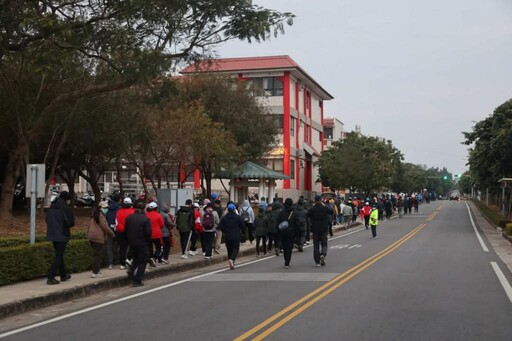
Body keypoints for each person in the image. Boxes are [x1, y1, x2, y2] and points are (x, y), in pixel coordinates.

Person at [46, 191, 75, 285]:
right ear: (67, 199)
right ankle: (51, 277)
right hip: (62, 234)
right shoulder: (65, 208)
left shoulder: (52, 206)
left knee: (59, 254)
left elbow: (47, 220)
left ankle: (63, 275)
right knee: (59, 256)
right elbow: (70, 222)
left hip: (52, 233)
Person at [125, 199, 152, 286]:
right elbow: (148, 232)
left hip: (132, 242)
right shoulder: (145, 218)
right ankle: (137, 280)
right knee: (143, 261)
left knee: (136, 259)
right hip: (142, 242)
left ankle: (131, 272)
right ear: (143, 208)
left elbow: (126, 230)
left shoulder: (129, 218)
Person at [87, 201, 115, 278]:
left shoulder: (94, 215)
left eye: (106, 208)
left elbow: (89, 225)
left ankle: (97, 270)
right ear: (100, 208)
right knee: (97, 255)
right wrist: (112, 234)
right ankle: (95, 272)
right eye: (105, 208)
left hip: (91, 236)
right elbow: (105, 226)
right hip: (98, 237)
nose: (106, 209)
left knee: (96, 254)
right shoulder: (101, 216)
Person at [307, 194, 333, 267]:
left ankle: (317, 262)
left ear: (315, 200)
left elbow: (307, 214)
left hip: (315, 229)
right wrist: (324, 205)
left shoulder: (312, 209)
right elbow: (331, 211)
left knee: (316, 246)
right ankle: (323, 254)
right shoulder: (324, 208)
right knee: (324, 244)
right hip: (324, 229)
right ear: (321, 200)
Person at [218, 203, 245, 269]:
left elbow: (220, 227)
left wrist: (225, 231)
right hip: (236, 235)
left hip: (227, 236)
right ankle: (232, 260)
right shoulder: (238, 217)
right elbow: (243, 226)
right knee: (235, 248)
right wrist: (243, 232)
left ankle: (231, 261)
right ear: (234, 209)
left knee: (229, 249)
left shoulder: (224, 218)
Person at [276, 198, 299, 269]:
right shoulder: (294, 213)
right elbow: (297, 224)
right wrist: (296, 234)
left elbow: (277, 222)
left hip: (283, 232)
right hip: (291, 232)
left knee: (285, 247)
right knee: (289, 248)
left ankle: (283, 255)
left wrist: (278, 232)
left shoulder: (281, 212)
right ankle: (287, 263)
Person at [115, 197, 135, 269]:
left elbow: (116, 222)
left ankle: (123, 263)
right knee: (132, 246)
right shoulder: (133, 211)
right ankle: (129, 259)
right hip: (130, 231)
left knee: (122, 248)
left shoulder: (119, 211)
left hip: (120, 231)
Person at [146, 201, 164, 267]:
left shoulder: (146, 215)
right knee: (159, 247)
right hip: (157, 234)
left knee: (149, 248)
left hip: (148, 234)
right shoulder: (158, 215)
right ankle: (155, 257)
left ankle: (151, 259)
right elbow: (162, 224)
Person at [105, 193, 120, 269]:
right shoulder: (120, 208)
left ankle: (110, 263)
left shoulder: (108, 208)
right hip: (118, 229)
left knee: (109, 247)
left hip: (109, 229)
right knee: (120, 246)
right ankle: (121, 262)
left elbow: (106, 218)